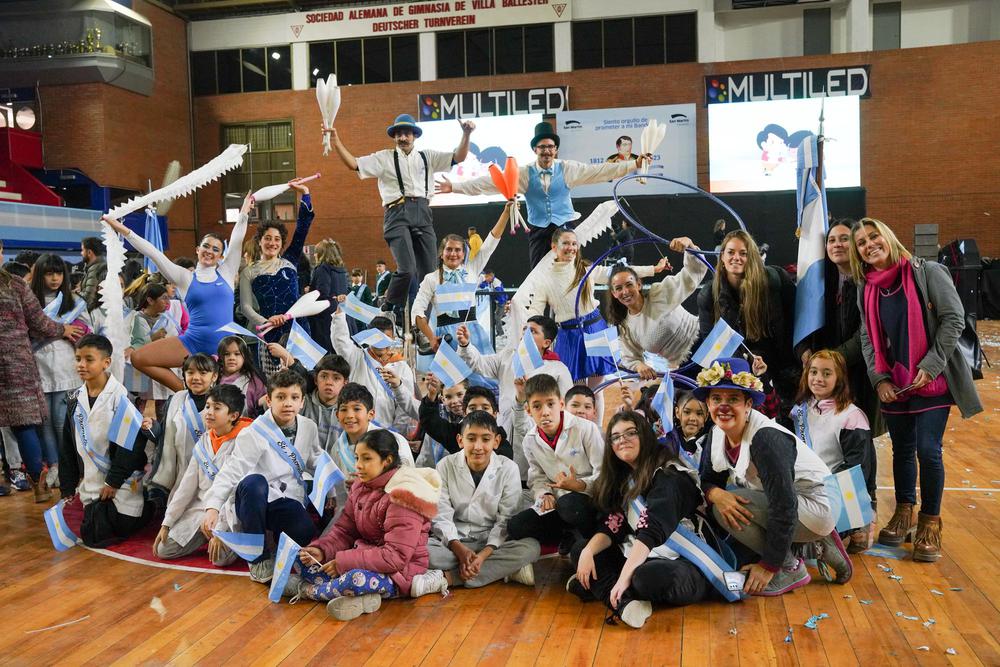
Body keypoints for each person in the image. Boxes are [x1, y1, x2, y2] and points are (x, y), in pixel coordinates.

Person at [850, 217, 982, 561]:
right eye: (862, 242)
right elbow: (868, 338)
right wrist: (879, 378)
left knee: (928, 449)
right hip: (894, 382)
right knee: (902, 450)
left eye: (873, 236)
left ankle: (930, 522)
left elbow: (954, 319)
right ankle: (905, 512)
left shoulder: (928, 272)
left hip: (932, 379)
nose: (869, 245)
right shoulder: (867, 287)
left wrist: (931, 365)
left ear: (888, 237)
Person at [696, 357, 850, 596]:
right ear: (707, 403)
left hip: (819, 503)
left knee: (727, 510)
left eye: (733, 399)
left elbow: (785, 506)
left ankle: (791, 567)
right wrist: (716, 494)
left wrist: (768, 566)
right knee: (726, 502)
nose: (723, 406)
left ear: (748, 405)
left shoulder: (766, 439)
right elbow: (706, 479)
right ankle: (815, 544)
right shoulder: (717, 434)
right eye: (716, 399)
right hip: (795, 502)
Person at [569, 412, 715, 629]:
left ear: (646, 436)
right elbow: (614, 523)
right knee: (582, 549)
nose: (622, 440)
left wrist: (621, 579)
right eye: (616, 437)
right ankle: (626, 605)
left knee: (646, 578)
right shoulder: (625, 477)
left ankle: (603, 587)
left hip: (682, 560)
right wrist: (589, 552)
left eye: (630, 433)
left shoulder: (669, 475)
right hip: (640, 554)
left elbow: (650, 531)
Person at [439, 121, 652, 266]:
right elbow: (489, 183)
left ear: (556, 149)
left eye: (550, 147)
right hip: (539, 232)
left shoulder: (568, 169)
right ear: (535, 150)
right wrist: (455, 187)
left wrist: (634, 164)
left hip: (565, 226)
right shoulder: (523, 174)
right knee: (538, 278)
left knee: (570, 272)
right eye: (542, 147)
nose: (547, 151)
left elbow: (600, 171)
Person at [326, 114, 475, 316]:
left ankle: (421, 322)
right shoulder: (384, 157)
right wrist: (336, 141)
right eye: (398, 134)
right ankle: (388, 305)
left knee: (429, 275)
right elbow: (353, 164)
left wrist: (466, 134)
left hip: (423, 213)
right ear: (394, 137)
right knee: (407, 269)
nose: (402, 137)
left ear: (414, 135)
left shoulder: (427, 157)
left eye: (406, 133)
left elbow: (459, 157)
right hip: (397, 213)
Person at [102, 193, 252, 391]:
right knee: (139, 358)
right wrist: (124, 230)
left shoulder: (227, 272)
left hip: (224, 347)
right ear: (197, 249)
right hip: (192, 341)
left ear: (220, 256)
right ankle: (186, 392)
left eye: (215, 249)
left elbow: (237, 239)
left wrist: (243, 213)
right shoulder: (185, 277)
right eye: (206, 246)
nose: (209, 251)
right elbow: (153, 253)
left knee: (226, 397)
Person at [293, 429, 445, 619]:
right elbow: (344, 531)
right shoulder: (361, 485)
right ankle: (358, 597)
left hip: (398, 573)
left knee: (355, 579)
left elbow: (395, 557)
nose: (358, 465)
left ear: (387, 460)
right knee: (302, 558)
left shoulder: (404, 494)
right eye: (357, 458)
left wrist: (343, 563)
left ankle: (305, 590)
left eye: (366, 459)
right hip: (364, 558)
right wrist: (322, 550)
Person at [526, 227, 669, 416]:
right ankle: (577, 432)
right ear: (554, 247)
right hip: (569, 337)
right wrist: (528, 328)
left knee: (597, 391)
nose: (571, 248)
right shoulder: (544, 278)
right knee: (572, 392)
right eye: (566, 243)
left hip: (595, 329)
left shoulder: (586, 268)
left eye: (574, 243)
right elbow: (536, 310)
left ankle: (596, 433)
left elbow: (619, 273)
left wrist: (653, 269)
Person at [201, 369, 325, 583]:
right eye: (280, 397)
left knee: (305, 528)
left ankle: (276, 550)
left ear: (302, 402)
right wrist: (213, 507)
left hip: (284, 499)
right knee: (254, 482)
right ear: (269, 400)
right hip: (253, 500)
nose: (288, 403)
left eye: (294, 398)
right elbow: (231, 471)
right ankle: (257, 558)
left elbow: (317, 460)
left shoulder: (308, 427)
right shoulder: (254, 431)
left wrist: (331, 488)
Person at [59, 334, 153, 547]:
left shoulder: (120, 398)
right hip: (92, 481)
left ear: (106, 362)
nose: (81, 365)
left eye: (89, 359)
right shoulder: (75, 399)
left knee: (115, 528)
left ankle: (149, 507)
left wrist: (114, 481)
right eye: (78, 359)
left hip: (122, 480)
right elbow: (67, 445)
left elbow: (131, 447)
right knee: (94, 531)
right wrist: (67, 486)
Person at [1, 261, 83, 501]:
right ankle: (39, 486)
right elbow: (38, 322)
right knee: (24, 423)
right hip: (16, 362)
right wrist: (63, 330)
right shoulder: (14, 284)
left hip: (15, 362)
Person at [429, 411, 540, 589]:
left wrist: (482, 556)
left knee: (531, 547)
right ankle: (502, 570)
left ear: (496, 442)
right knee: (422, 551)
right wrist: (459, 549)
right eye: (471, 438)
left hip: (491, 542)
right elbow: (441, 514)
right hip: (454, 540)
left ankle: (449, 578)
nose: (478, 446)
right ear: (460, 440)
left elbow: (506, 520)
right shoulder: (445, 465)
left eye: (486, 439)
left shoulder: (508, 468)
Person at [697, 230, 797, 419]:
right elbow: (710, 342)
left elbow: (795, 320)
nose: (737, 258)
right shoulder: (709, 295)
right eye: (731, 252)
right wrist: (744, 370)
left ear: (752, 256)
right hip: (742, 377)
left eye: (743, 253)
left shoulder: (774, 280)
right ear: (722, 257)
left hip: (783, 371)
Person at [791, 350, 877, 553]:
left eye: (827, 373)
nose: (818, 378)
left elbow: (857, 472)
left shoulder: (852, 417)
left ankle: (854, 528)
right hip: (806, 488)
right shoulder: (800, 410)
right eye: (813, 372)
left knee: (803, 543)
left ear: (839, 378)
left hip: (840, 493)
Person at [153, 384, 251, 564]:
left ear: (233, 416)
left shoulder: (246, 440)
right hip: (201, 510)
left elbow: (235, 492)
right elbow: (186, 487)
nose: (209, 412)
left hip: (230, 512)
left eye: (217, 408)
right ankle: (205, 535)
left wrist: (219, 527)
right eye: (207, 406)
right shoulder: (204, 441)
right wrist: (167, 522)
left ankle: (227, 539)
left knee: (221, 560)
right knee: (164, 550)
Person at [507, 374, 604, 548]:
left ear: (560, 404)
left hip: (590, 500)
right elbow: (537, 477)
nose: (545, 412)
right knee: (516, 526)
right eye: (537, 406)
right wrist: (545, 494)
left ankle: (591, 539)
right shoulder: (530, 440)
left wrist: (580, 485)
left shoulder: (586, 429)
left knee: (570, 505)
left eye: (550, 404)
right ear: (529, 410)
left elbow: (604, 475)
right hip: (560, 503)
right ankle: (566, 535)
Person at [456, 315, 572, 453]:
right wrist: (465, 345)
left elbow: (565, 408)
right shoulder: (508, 357)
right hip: (503, 426)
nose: (525, 334)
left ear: (546, 343)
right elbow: (479, 364)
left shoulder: (558, 369)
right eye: (524, 329)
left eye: (533, 331)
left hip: (535, 432)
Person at [240, 179, 315, 374]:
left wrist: (305, 193)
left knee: (302, 375)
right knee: (275, 383)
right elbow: (245, 307)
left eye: (277, 239)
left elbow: (302, 228)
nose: (272, 243)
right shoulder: (249, 271)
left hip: (298, 329)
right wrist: (267, 321)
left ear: (282, 243)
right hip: (269, 332)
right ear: (259, 241)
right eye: (267, 238)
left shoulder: (290, 260)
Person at [30, 254, 92, 487]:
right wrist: (60, 330)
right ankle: (54, 465)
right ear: (40, 275)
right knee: (44, 422)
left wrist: (77, 332)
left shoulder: (74, 301)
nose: (54, 278)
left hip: (67, 367)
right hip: (38, 367)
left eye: (58, 273)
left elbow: (88, 331)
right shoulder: (30, 300)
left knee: (61, 420)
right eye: (49, 273)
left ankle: (70, 464)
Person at [605, 238, 707, 379]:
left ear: (638, 285)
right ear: (614, 294)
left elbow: (692, 274)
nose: (625, 291)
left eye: (629, 284)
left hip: (707, 342)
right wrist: (639, 365)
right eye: (618, 288)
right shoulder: (625, 326)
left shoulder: (658, 294)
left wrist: (689, 245)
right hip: (685, 367)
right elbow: (630, 357)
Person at [330, 301, 414, 433]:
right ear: (369, 337)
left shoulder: (402, 367)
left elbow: (405, 407)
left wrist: (395, 433)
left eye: (386, 339)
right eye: (377, 339)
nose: (381, 344)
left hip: (387, 432)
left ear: (392, 338)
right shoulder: (357, 357)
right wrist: (340, 313)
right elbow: (340, 341)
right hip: (357, 428)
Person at [148, 353, 219, 496]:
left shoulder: (223, 402)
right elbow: (163, 438)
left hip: (212, 476)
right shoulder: (176, 400)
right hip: (181, 477)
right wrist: (151, 428)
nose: (196, 377)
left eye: (203, 373)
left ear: (214, 376)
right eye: (190, 372)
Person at [308, 239, 349, 354]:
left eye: (316, 252)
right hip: (339, 313)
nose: (315, 255)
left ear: (321, 253)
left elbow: (322, 293)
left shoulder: (322, 269)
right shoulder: (341, 270)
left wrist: (310, 293)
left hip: (324, 318)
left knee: (324, 354)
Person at [217, 335, 267, 419]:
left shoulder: (254, 381)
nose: (231, 358)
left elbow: (261, 408)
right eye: (226, 354)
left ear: (245, 357)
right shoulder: (214, 377)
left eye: (237, 354)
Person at [80, 236, 107, 311]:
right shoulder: (101, 266)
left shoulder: (95, 269)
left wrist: (76, 294)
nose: (81, 253)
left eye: (82, 250)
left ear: (89, 252)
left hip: (93, 315)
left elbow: (89, 298)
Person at [347, 269, 374, 336]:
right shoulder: (348, 287)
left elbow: (369, 303)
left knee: (362, 333)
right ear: (352, 277)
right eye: (355, 276)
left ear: (362, 277)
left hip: (361, 315)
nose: (357, 277)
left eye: (359, 276)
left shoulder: (365, 288)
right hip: (350, 315)